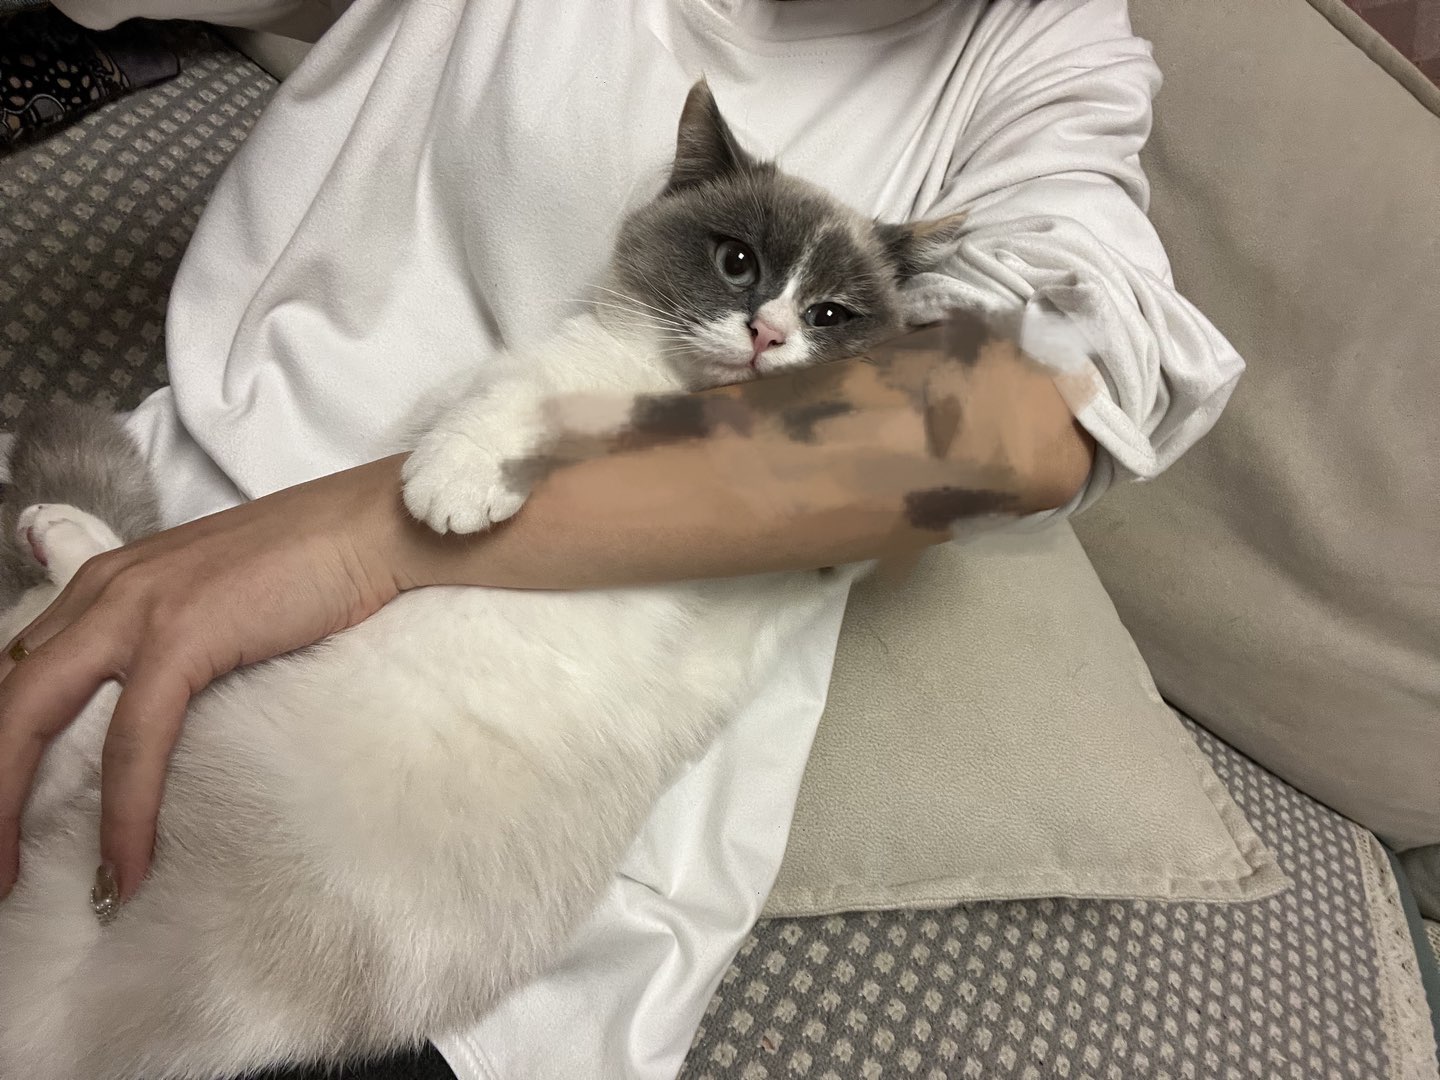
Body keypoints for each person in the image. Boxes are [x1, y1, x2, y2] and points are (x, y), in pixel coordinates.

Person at [0, 0, 1244, 1077]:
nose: (772, 332)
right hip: (147, 574)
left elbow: (1053, 391)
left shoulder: (1046, 42)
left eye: (818, 317)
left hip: (449, 857)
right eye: (750, 276)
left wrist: (360, 542)